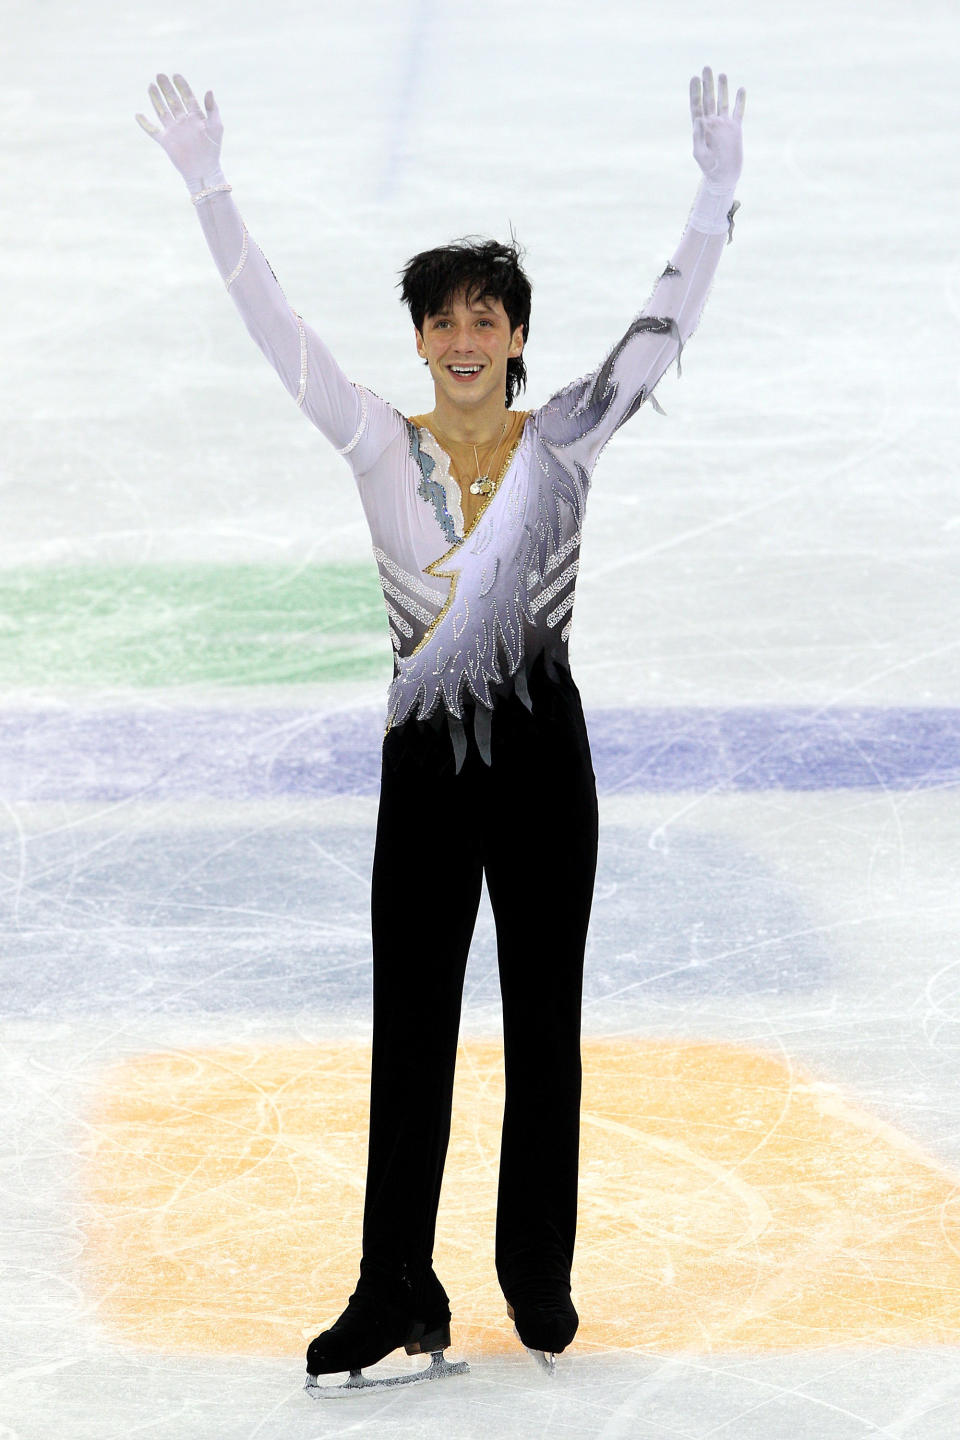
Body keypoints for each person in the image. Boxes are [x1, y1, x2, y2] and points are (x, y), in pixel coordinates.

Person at [136, 65, 745, 1390]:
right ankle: (393, 1287)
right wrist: (209, 185)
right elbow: (269, 319)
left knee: (544, 1022)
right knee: (409, 1030)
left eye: (486, 318)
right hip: (422, 770)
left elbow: (664, 326)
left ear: (517, 335)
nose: (464, 339)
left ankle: (537, 1271)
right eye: (443, 322)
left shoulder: (567, 439)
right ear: (419, 340)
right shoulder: (373, 442)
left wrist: (717, 194)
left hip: (543, 763)